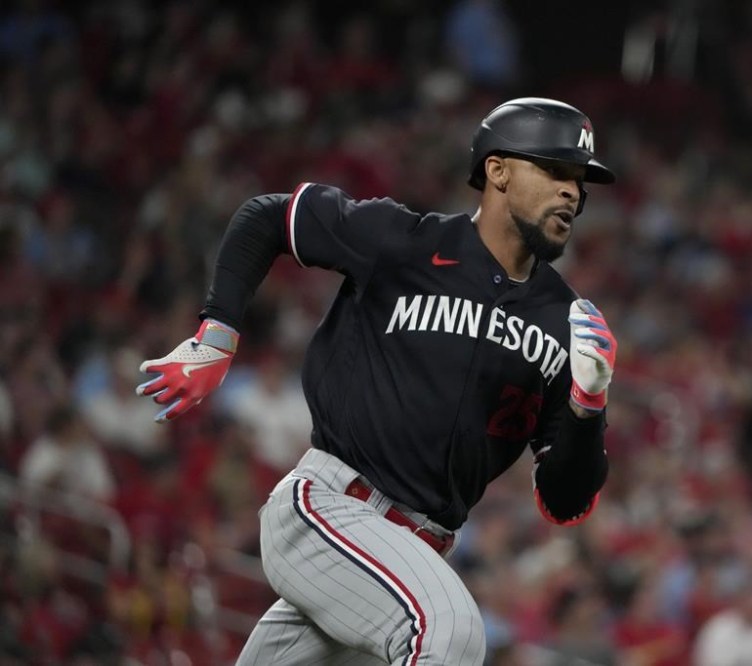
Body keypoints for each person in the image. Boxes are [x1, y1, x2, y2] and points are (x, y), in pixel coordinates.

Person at [135, 97, 619, 665]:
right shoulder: (408, 241)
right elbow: (267, 217)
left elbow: (564, 504)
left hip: (405, 558)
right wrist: (216, 337)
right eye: (556, 170)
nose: (572, 192)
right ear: (498, 170)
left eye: (579, 181)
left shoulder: (566, 322)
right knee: (449, 628)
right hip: (330, 509)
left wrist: (588, 405)